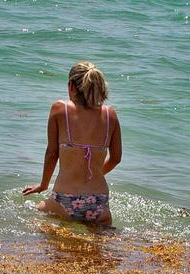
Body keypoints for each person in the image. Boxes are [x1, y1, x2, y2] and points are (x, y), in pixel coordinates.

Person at [23, 61, 122, 225]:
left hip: (65, 200)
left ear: (71, 86)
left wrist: (43, 184)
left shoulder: (60, 109)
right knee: (99, 249)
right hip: (99, 201)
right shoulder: (110, 114)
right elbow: (116, 158)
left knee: (31, 214)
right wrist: (94, 175)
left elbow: (52, 153)